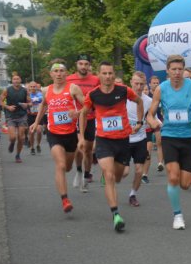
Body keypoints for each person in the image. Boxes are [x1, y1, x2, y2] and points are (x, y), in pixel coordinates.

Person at [80, 62, 142, 230]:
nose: (107, 76)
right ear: (99, 75)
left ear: (114, 75)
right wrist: (80, 136)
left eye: (110, 73)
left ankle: (110, 176)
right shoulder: (93, 95)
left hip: (122, 140)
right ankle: (116, 214)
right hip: (104, 140)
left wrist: (140, 121)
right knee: (109, 176)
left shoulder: (123, 90)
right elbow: (83, 114)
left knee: (119, 176)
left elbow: (139, 101)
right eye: (104, 73)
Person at [146, 54, 191, 230]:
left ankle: (179, 173)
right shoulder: (161, 89)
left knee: (185, 184)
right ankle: (177, 215)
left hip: (188, 138)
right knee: (173, 177)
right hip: (170, 136)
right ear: (167, 71)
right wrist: (152, 121)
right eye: (174, 69)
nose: (177, 72)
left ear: (184, 70)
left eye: (180, 69)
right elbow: (150, 113)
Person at [29, 61, 85, 213]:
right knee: (60, 165)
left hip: (71, 134)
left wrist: (77, 113)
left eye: (62, 71)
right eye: (56, 71)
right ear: (51, 74)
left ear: (66, 73)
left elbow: (87, 105)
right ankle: (65, 199)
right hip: (54, 134)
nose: (59, 74)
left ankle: (72, 168)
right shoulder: (46, 90)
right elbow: (43, 106)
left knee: (67, 167)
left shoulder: (73, 88)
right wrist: (36, 122)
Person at [67, 54, 100, 192]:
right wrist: (69, 110)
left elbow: (99, 98)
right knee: (78, 148)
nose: (83, 66)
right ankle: (79, 171)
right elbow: (65, 98)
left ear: (89, 66)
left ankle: (86, 175)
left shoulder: (95, 80)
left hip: (90, 118)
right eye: (81, 64)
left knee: (88, 149)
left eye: (86, 64)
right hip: (74, 120)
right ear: (76, 64)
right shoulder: (69, 79)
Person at [124, 71, 152, 207]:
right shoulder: (122, 98)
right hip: (124, 139)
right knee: (124, 172)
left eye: (142, 84)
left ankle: (132, 194)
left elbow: (153, 117)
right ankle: (109, 171)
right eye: (136, 83)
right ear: (131, 82)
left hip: (140, 139)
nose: (139, 87)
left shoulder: (148, 101)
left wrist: (157, 123)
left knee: (139, 170)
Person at [0, 73, 31, 163]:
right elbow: (0, 102)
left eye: (18, 79)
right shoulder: (7, 90)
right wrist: (8, 107)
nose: (16, 81)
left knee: (21, 138)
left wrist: (27, 104)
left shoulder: (25, 91)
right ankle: (12, 143)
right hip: (11, 115)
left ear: (20, 80)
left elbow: (31, 103)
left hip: (22, 115)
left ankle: (18, 155)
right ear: (12, 81)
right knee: (13, 137)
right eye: (14, 79)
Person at [145, 75, 165, 176]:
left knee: (159, 141)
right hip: (147, 122)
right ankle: (146, 165)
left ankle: (160, 163)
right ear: (149, 84)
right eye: (154, 83)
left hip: (158, 120)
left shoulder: (161, 94)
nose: (156, 84)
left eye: (157, 83)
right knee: (147, 145)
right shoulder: (146, 94)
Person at [27, 81, 44, 155]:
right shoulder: (27, 95)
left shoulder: (40, 94)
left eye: (34, 86)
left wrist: (31, 102)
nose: (33, 88)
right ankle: (32, 147)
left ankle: (38, 144)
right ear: (29, 87)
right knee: (31, 132)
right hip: (30, 115)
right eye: (31, 86)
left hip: (38, 115)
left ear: (36, 87)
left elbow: (40, 100)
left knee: (39, 130)